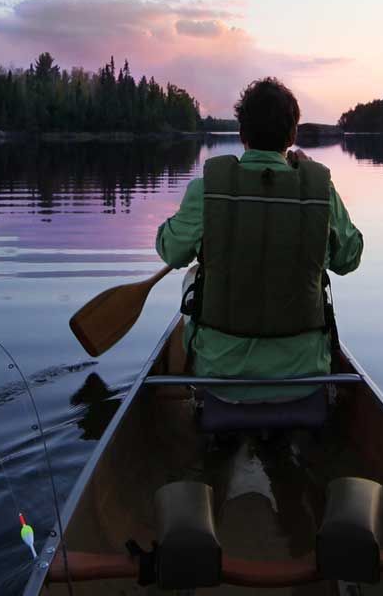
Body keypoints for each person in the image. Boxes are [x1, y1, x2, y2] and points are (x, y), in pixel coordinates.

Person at [155, 77, 363, 397]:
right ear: (292, 135)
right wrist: (315, 185)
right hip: (305, 377)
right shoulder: (320, 190)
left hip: (219, 376)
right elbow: (349, 258)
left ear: (242, 134)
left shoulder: (207, 190)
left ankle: (194, 410)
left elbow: (171, 252)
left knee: (192, 280)